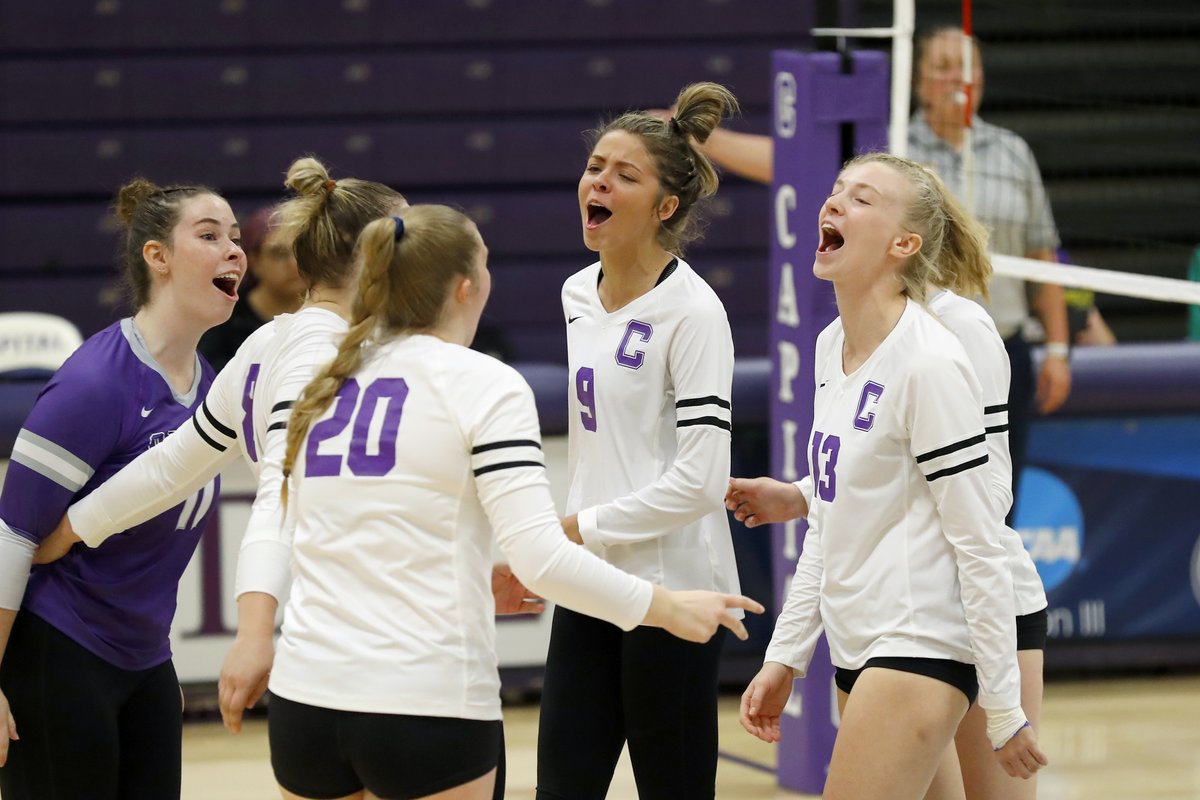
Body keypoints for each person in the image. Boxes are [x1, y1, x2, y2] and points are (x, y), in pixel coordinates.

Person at [266, 207, 762, 800]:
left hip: (304, 699)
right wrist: (668, 610)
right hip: (424, 700)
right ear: (466, 287)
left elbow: (313, 531)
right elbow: (540, 560)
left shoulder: (320, 383)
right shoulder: (484, 383)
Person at [737, 153, 1047, 800]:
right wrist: (785, 654)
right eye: (836, 190)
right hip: (863, 635)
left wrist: (1004, 702)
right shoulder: (831, 345)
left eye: (862, 198)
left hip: (933, 625)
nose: (835, 203)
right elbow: (838, 506)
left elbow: (980, 519)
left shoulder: (947, 345)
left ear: (906, 242)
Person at [689, 27, 1080, 518]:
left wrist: (1059, 347)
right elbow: (796, 161)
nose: (957, 78)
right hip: (908, 342)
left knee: (987, 499)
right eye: (942, 66)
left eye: (967, 67)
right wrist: (706, 137)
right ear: (919, 82)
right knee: (902, 491)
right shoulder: (891, 153)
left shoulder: (1013, 152)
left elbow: (1043, 251)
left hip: (1000, 342)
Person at [0, 178, 246, 798]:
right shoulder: (96, 382)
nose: (235, 251)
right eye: (210, 236)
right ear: (157, 257)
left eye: (237, 238)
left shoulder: (212, 385)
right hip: (60, 650)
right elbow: (12, 535)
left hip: (145, 661)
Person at [534, 82, 743, 800]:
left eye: (625, 175)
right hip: (592, 581)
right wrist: (575, 542)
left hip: (676, 585)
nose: (599, 182)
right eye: (596, 167)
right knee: (563, 784)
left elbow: (700, 483)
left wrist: (573, 530)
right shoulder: (574, 294)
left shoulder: (694, 314)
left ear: (665, 208)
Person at [199, 205, 305, 372]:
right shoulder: (223, 317)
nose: (294, 264)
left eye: (301, 252)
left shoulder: (327, 311)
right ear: (254, 261)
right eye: (278, 253)